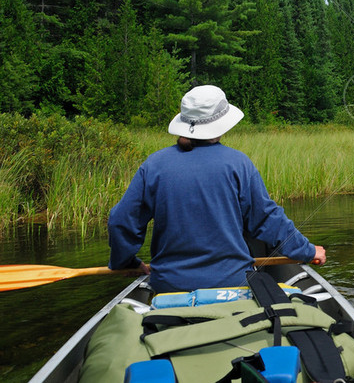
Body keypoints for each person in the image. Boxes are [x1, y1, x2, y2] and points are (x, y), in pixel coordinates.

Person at [108, 85, 326, 293]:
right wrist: (306, 250)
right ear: (222, 124)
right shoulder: (238, 164)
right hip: (232, 283)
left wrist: (124, 261)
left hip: (169, 286)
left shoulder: (153, 165)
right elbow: (268, 219)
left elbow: (121, 221)